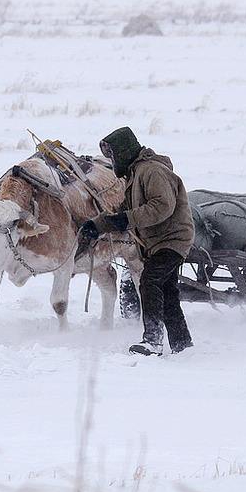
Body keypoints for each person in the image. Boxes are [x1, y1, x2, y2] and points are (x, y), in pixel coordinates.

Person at [79, 126, 195, 356]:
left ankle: (152, 341)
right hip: (157, 242)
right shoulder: (135, 175)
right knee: (168, 291)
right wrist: (97, 225)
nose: (112, 161)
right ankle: (182, 343)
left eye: (113, 155)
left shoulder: (152, 171)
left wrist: (127, 219)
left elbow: (162, 206)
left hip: (172, 239)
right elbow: (123, 211)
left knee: (149, 281)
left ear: (124, 151)